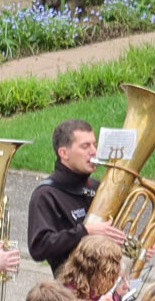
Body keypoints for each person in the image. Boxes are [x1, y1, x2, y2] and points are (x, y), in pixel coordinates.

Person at [27, 116, 125, 273]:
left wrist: (137, 249)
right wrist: (85, 231)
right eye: (85, 146)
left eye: (94, 144)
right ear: (64, 153)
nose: (94, 151)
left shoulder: (97, 187)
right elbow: (39, 247)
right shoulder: (46, 195)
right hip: (70, 288)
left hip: (108, 282)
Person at [57, 234, 133, 301]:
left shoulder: (100, 287)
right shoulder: (68, 295)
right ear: (97, 270)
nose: (116, 276)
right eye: (111, 273)